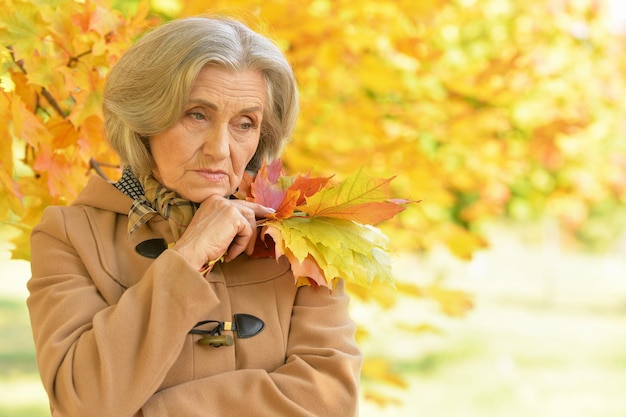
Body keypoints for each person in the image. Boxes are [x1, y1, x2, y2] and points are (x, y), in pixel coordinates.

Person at [27, 16, 362, 417]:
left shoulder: (302, 235)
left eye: (245, 123)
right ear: (144, 119)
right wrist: (187, 256)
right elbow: (83, 402)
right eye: (196, 115)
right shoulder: (69, 235)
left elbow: (330, 400)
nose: (219, 149)